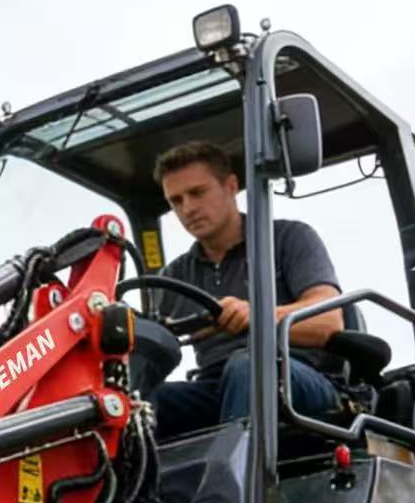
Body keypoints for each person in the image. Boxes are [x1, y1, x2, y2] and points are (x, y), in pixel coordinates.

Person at [146, 141, 344, 437]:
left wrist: (258, 316)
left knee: (248, 367)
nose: (187, 208)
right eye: (176, 200)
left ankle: (233, 482)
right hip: (216, 386)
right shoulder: (174, 276)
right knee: (140, 406)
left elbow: (328, 323)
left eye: (197, 193)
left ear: (231, 186)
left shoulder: (287, 239)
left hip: (298, 377)